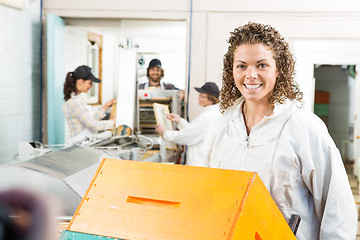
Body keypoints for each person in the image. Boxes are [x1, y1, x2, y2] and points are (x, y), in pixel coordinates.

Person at [201, 22, 357, 239]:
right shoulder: (220, 126)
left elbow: (337, 209)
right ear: (232, 71)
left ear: (279, 69)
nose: (251, 75)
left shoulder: (304, 127)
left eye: (262, 65)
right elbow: (208, 196)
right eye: (242, 66)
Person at [156, 82, 220, 166]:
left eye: (202, 96)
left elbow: (187, 136)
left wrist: (165, 132)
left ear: (212, 99)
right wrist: (179, 121)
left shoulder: (208, 116)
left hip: (199, 163)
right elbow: (195, 131)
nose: (198, 98)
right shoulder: (213, 112)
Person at [62, 65, 116, 144]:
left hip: (84, 143)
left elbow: (89, 121)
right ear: (80, 81)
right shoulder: (74, 103)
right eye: (90, 83)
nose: (91, 86)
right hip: (78, 145)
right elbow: (93, 125)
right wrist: (113, 122)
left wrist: (104, 107)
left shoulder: (79, 99)